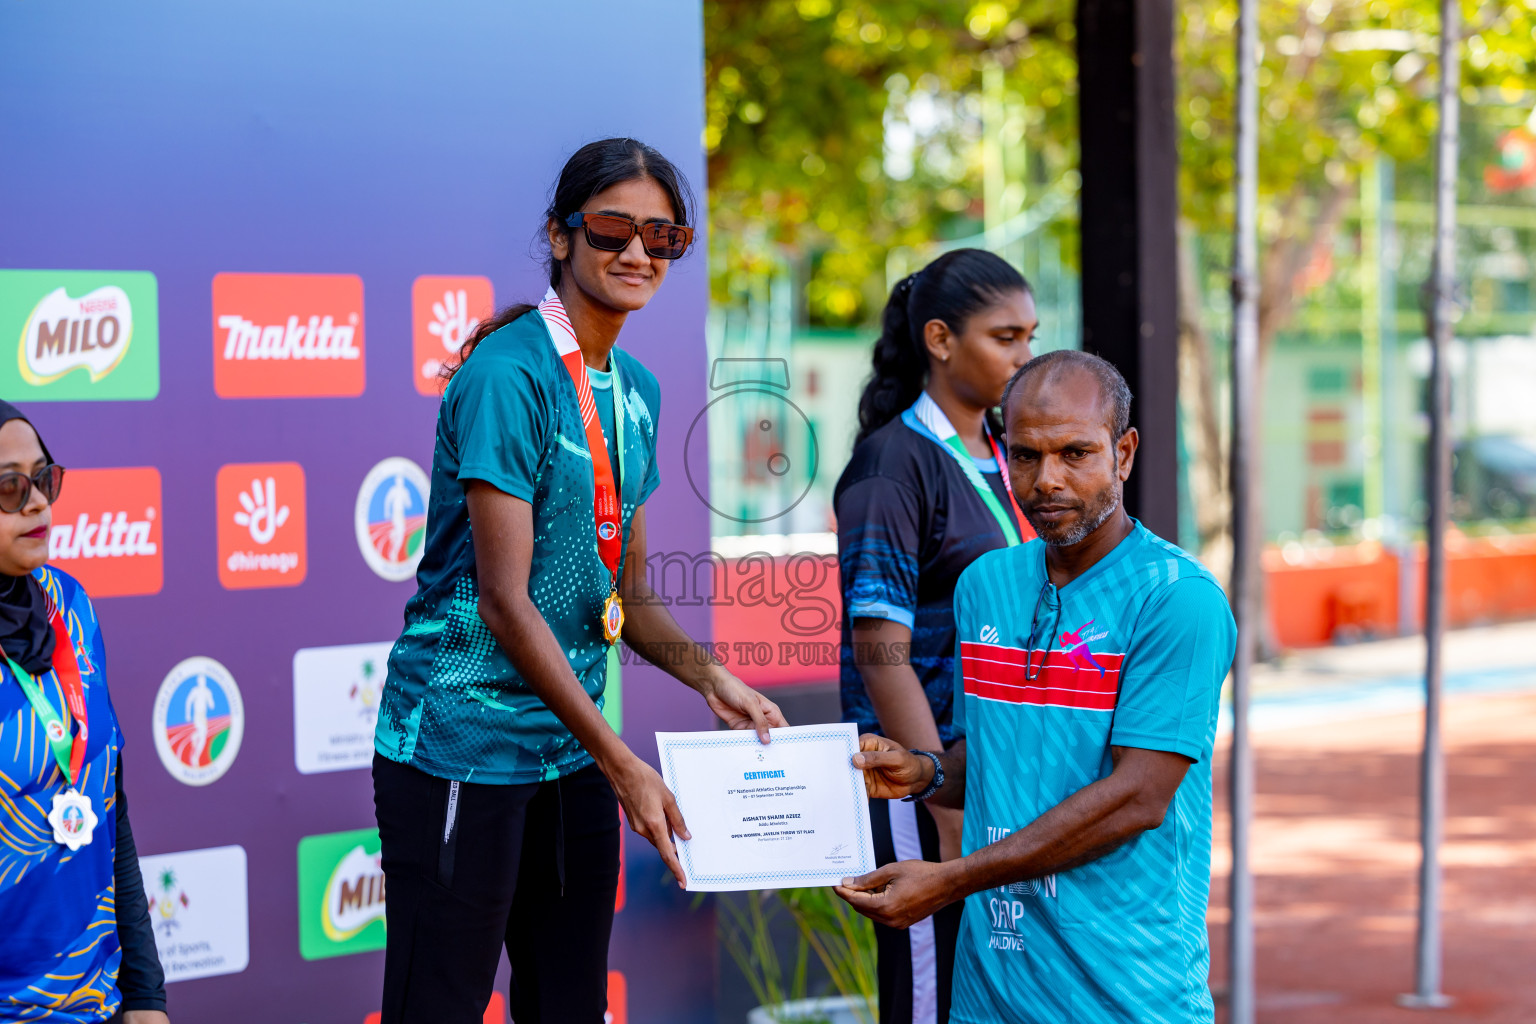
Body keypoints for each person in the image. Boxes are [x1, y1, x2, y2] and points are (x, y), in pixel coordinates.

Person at [372, 138, 786, 1024]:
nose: (637, 253)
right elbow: (503, 598)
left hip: (571, 748)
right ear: (560, 237)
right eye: (611, 229)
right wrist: (623, 761)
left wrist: (716, 680)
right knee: (435, 1008)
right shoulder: (505, 373)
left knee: (568, 1006)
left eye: (662, 236)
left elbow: (625, 597)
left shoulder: (635, 388)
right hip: (462, 747)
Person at [836, 350, 1238, 1024]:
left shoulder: (1177, 600)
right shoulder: (985, 584)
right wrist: (929, 771)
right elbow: (999, 755)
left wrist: (951, 881)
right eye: (1025, 456)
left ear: (1125, 454)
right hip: (988, 996)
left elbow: (1137, 797)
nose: (1046, 479)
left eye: (1075, 453)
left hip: (1126, 996)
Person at [833, 248, 1037, 1024]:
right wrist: (935, 787)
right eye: (1005, 337)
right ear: (941, 339)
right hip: (918, 785)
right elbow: (879, 646)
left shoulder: (1012, 457)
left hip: (1003, 772)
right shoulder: (892, 464)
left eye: (1030, 337)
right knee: (930, 998)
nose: (1025, 358)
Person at [0, 401, 168, 1023]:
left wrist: (146, 994)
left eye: (43, 480)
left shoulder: (68, 605)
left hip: (99, 999)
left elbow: (107, 806)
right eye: (10, 489)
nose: (39, 503)